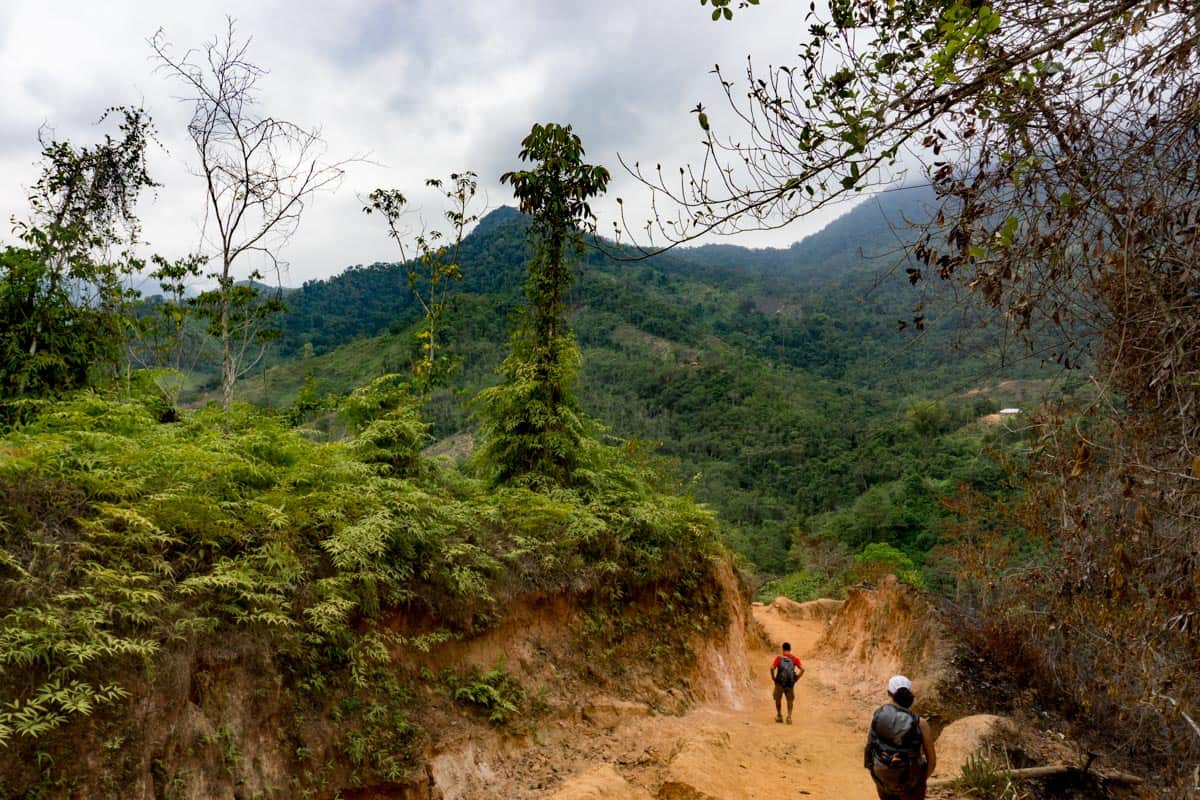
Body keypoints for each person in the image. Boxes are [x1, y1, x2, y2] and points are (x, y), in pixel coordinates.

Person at [864, 675, 936, 800]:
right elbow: (932, 762)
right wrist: (918, 783)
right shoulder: (921, 723)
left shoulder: (877, 715)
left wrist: (877, 773)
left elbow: (870, 747)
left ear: (888, 693)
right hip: (911, 782)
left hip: (882, 778)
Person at [769, 641, 804, 724]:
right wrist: (796, 679)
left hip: (779, 683)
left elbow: (771, 668)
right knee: (790, 700)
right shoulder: (794, 659)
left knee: (778, 699)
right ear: (790, 649)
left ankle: (779, 715)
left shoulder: (779, 658)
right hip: (790, 683)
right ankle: (789, 717)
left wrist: (773, 677)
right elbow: (803, 669)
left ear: (783, 649)